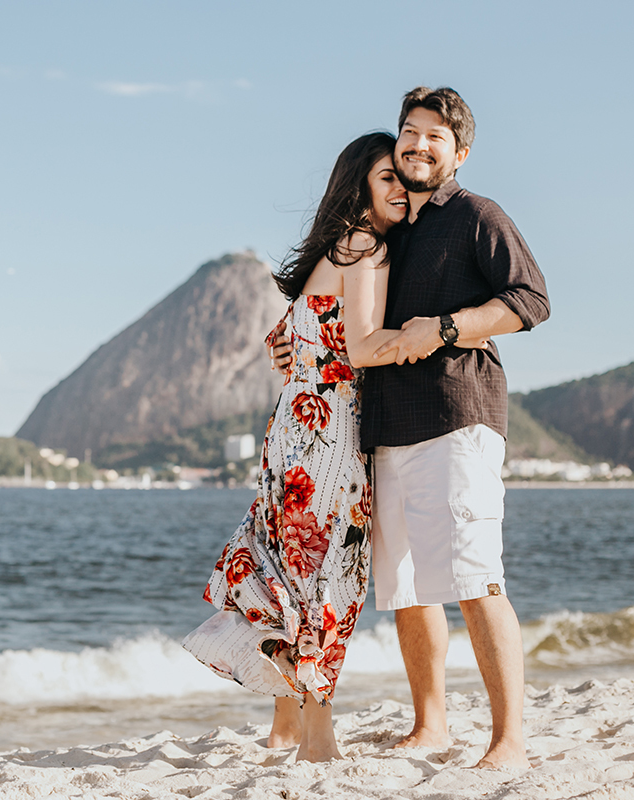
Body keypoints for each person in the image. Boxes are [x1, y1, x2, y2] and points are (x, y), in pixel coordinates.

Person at [182, 132, 488, 762]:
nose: (400, 189)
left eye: (400, 179)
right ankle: (317, 735)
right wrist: (443, 334)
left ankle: (286, 726)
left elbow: (292, 335)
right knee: (326, 579)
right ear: (359, 186)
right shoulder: (365, 245)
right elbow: (363, 349)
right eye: (386, 178)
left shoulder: (337, 248)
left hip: (294, 432)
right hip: (332, 439)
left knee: (292, 569)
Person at [270, 87, 550, 770]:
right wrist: (301, 346)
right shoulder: (390, 231)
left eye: (434, 137)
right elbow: (340, 311)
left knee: (476, 577)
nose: (418, 146)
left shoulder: (476, 215)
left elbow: (531, 299)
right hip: (384, 429)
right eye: (409, 133)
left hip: (458, 414)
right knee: (406, 587)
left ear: (460, 152)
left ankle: (508, 740)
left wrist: (449, 327)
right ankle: (432, 726)